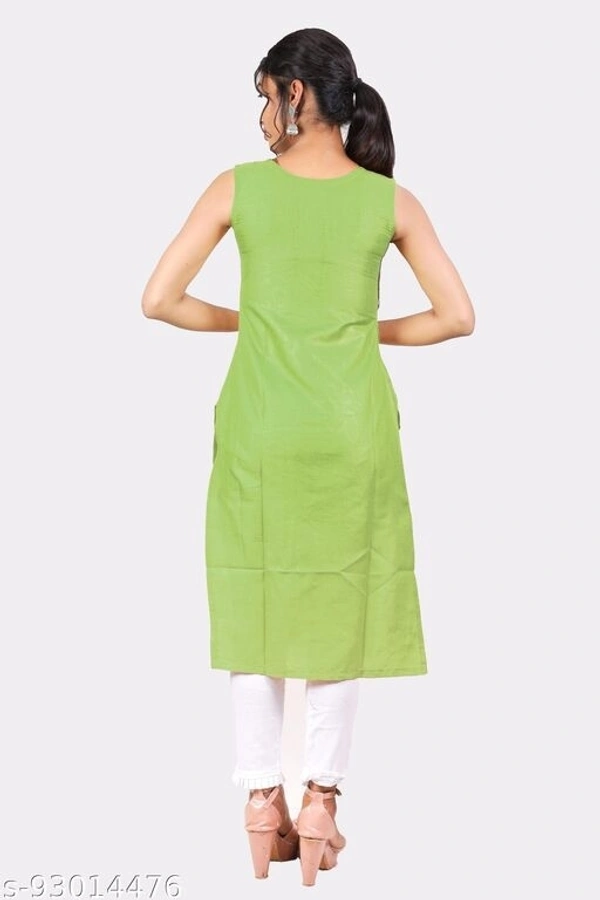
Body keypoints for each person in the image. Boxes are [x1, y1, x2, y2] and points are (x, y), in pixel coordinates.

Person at [141, 27, 475, 887]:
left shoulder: (237, 188)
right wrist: (358, 332)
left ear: (296, 93)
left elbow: (159, 299)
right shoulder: (389, 201)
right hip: (353, 430)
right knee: (338, 606)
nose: (262, 117)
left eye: (265, 96)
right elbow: (457, 317)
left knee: (254, 604)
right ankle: (322, 800)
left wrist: (257, 321)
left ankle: (262, 801)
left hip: (260, 429)